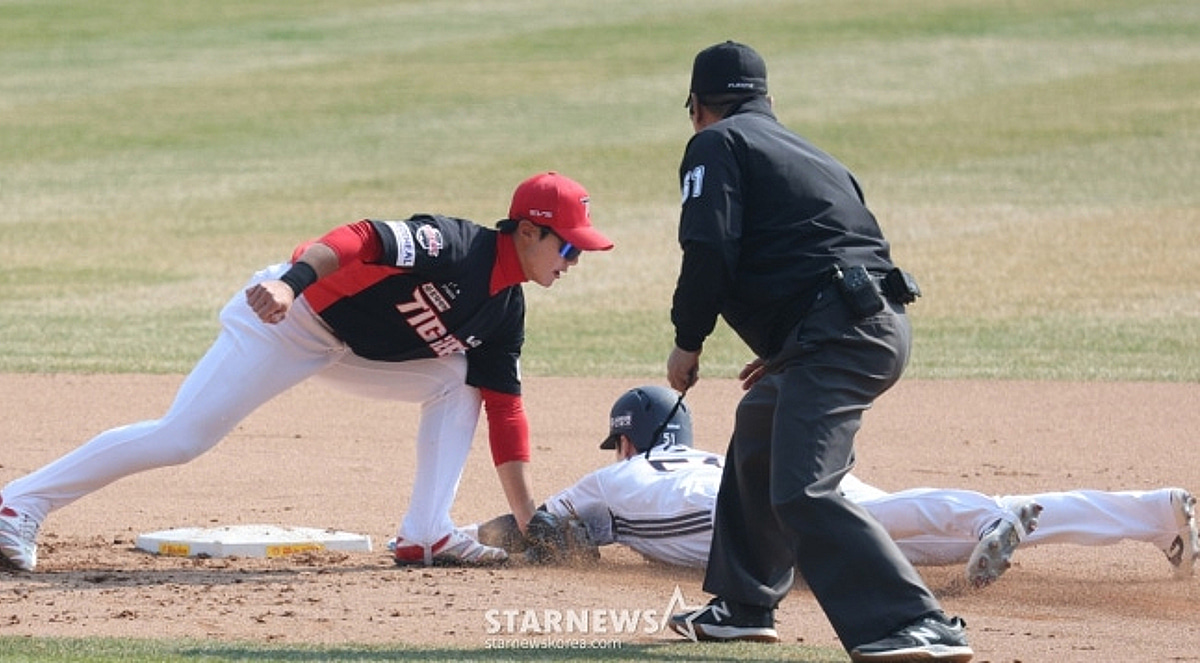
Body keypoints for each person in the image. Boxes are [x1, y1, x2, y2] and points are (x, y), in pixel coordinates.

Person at [0, 171, 613, 572]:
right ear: (528, 231)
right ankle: (16, 506)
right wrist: (290, 285)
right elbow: (358, 236)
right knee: (181, 438)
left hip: (349, 353)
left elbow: (506, 411)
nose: (574, 260)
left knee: (462, 381)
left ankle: (426, 532)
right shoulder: (452, 245)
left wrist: (531, 519)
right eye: (568, 246)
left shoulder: (505, 310)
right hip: (288, 320)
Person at [663, 41, 970, 662]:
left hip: (839, 336)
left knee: (803, 490)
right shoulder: (812, 154)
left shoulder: (716, 144)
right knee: (761, 423)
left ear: (697, 106)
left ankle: (918, 622)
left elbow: (711, 252)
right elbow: (832, 252)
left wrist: (687, 341)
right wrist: (785, 348)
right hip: (865, 326)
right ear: (766, 100)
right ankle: (744, 605)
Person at [471, 386, 1199, 590]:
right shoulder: (709, 455)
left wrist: (470, 538)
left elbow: (533, 529)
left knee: (884, 523)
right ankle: (1155, 510)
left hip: (764, 519)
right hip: (774, 483)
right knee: (890, 529)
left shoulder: (614, 476)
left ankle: (989, 516)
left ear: (629, 438)